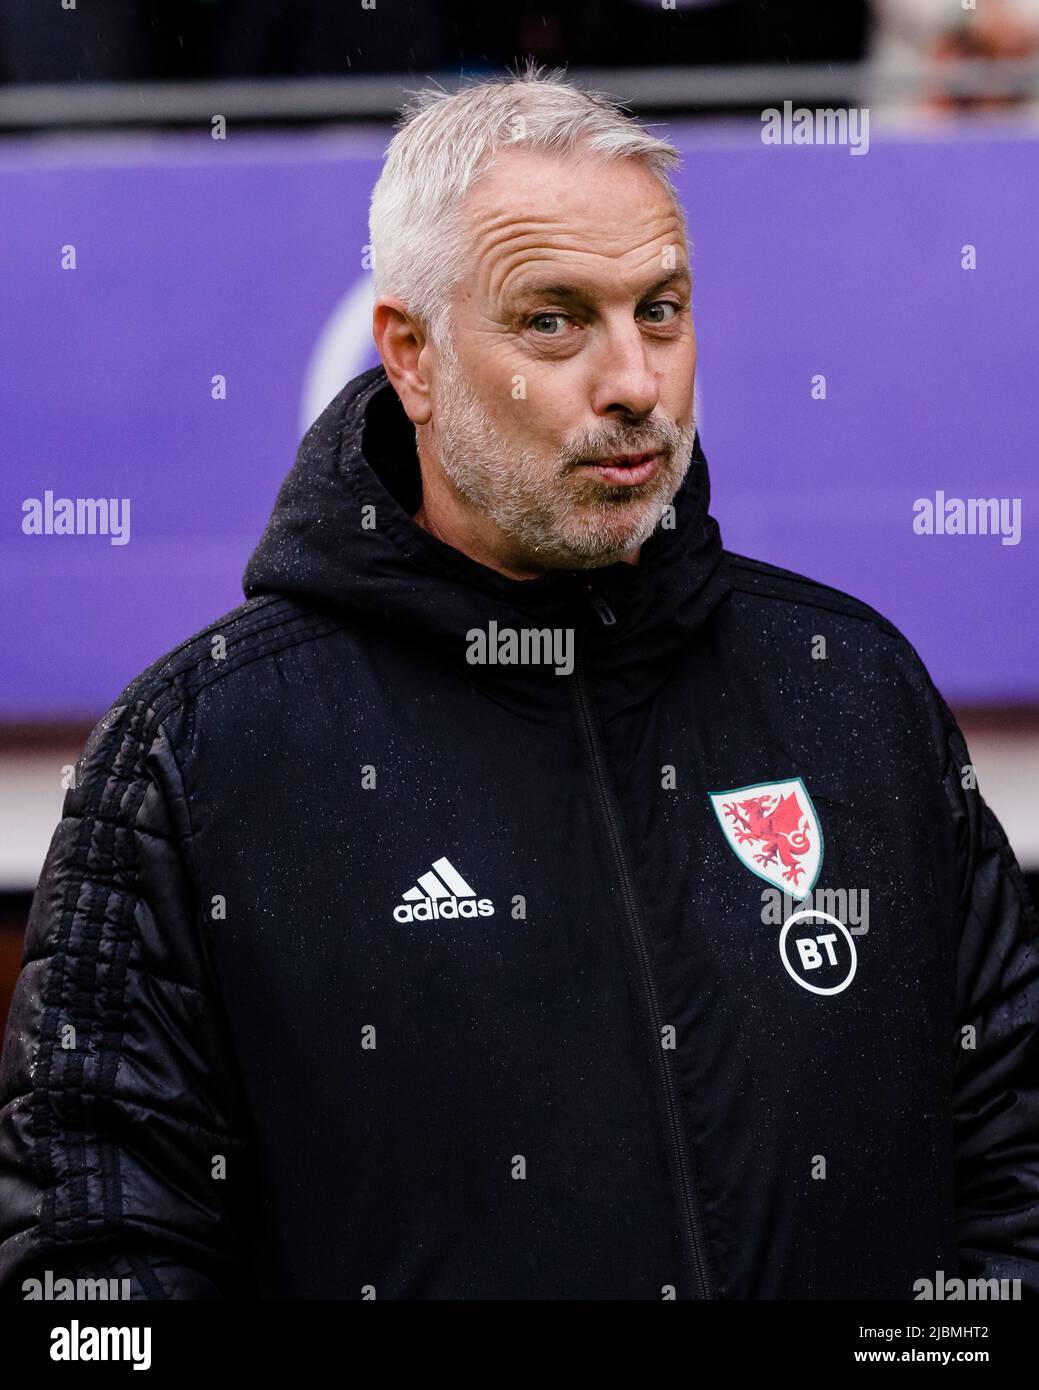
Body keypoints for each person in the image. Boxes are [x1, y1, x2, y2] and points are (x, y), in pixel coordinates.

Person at [1, 65, 1036, 1301]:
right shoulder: (198, 758)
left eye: (660, 310)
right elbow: (94, 1283)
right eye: (555, 319)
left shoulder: (855, 692)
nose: (635, 384)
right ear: (413, 357)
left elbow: (1010, 1171)